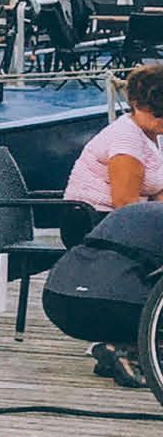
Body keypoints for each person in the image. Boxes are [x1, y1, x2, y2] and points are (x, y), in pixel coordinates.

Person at [61, 61, 163, 390]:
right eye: (158, 114)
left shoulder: (152, 135)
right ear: (138, 107)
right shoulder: (126, 141)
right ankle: (128, 338)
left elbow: (157, 190)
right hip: (97, 224)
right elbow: (125, 204)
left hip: (119, 220)